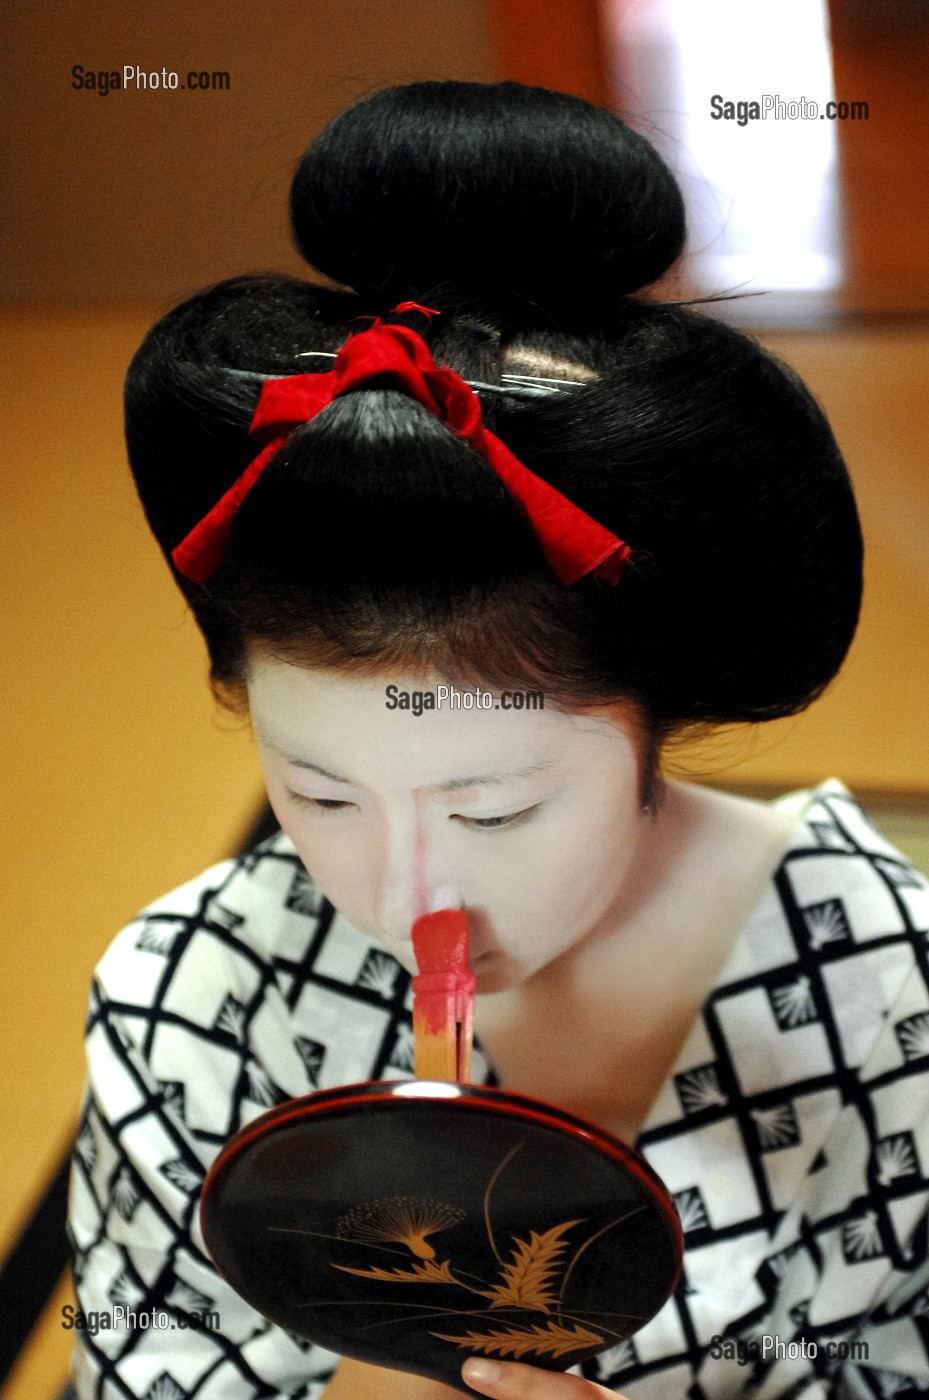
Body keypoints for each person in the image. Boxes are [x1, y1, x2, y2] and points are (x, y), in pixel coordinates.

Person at [67, 80, 929, 1400]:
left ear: (656, 716)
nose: (408, 894)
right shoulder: (190, 992)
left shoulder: (889, 988)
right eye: (319, 795)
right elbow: (137, 1354)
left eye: (493, 811)